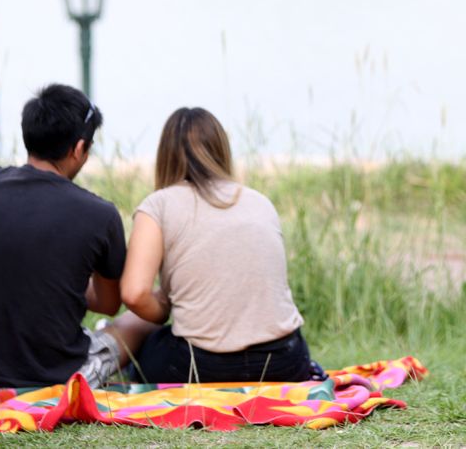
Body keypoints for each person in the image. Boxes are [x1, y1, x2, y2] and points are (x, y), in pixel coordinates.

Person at [0, 83, 128, 390]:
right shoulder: (100, 215)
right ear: (78, 149)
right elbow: (108, 302)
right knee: (136, 325)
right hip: (52, 382)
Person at [106, 107, 320, 383]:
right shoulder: (259, 201)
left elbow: (134, 293)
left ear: (165, 154)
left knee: (147, 342)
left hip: (200, 366)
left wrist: (164, 308)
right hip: (285, 363)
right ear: (221, 149)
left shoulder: (158, 205)